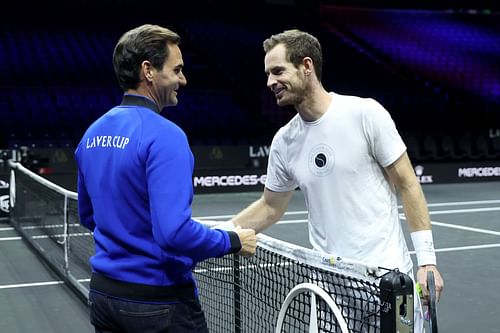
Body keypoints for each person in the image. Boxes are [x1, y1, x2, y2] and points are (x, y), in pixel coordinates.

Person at [227, 29, 444, 332]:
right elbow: (270, 207)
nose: (269, 82)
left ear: (306, 66)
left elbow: (407, 183)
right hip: (330, 290)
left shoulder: (365, 114)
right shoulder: (284, 142)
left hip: (388, 279)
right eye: (267, 73)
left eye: (278, 71)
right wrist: (216, 235)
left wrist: (427, 261)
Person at [74, 24, 256, 333]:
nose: (183, 79)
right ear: (148, 70)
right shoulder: (166, 136)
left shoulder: (92, 133)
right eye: (177, 69)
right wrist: (232, 241)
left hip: (104, 296)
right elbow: (174, 233)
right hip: (158, 302)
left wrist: (128, 239)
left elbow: (88, 216)